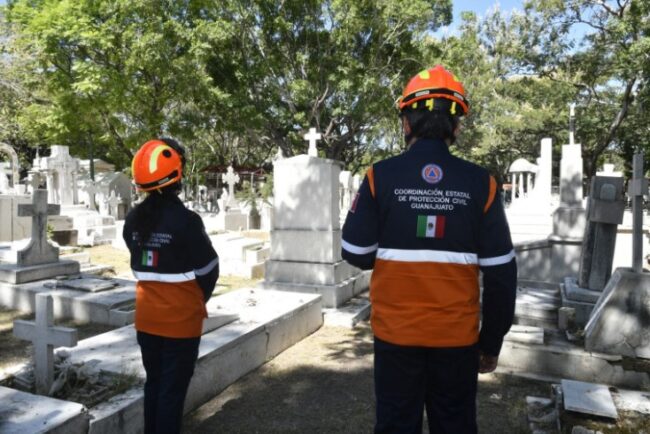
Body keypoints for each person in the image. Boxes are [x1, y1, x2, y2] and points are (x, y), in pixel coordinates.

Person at [342, 65, 517, 433]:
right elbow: (502, 272)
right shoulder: (481, 183)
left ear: (406, 122)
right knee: (454, 425)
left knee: (395, 425)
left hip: (396, 336)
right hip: (456, 339)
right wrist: (491, 341)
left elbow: (355, 251)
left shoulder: (380, 176)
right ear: (456, 127)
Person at [123, 138, 219, 434]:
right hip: (180, 323)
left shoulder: (133, 219)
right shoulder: (186, 221)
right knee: (171, 392)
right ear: (177, 175)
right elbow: (209, 269)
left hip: (147, 319)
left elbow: (137, 260)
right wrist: (194, 299)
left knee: (154, 384)